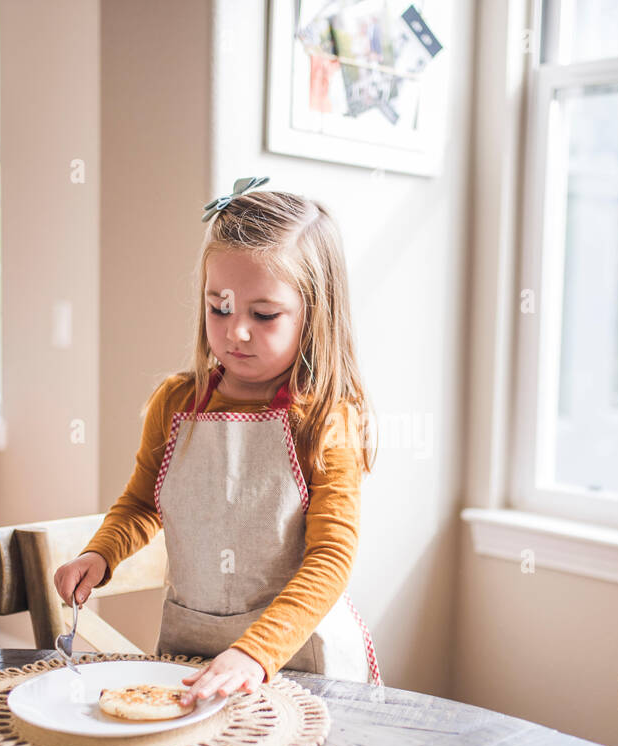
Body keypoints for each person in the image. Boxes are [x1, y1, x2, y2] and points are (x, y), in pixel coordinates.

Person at [54, 176, 382, 707]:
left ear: (313, 314)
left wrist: (255, 653)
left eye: (264, 314)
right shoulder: (176, 402)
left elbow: (331, 558)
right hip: (191, 656)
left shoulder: (326, 418)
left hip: (298, 661)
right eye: (219, 307)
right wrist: (100, 553)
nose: (237, 332)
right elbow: (141, 504)